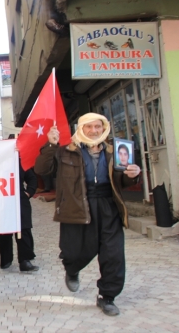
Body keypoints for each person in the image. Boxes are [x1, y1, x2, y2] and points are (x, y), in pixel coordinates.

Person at [34, 113, 141, 316]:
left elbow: (122, 180)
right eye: (89, 127)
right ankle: (72, 269)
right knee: (73, 252)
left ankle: (107, 296)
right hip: (76, 207)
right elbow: (42, 169)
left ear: (104, 128)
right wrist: (51, 146)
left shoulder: (114, 151)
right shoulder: (66, 152)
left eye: (98, 127)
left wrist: (133, 175)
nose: (94, 130)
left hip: (108, 207)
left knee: (113, 254)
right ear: (81, 129)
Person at [0, 163, 39, 272]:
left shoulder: (19, 162)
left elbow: (32, 178)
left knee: (24, 229)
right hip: (3, 197)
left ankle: (25, 260)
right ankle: (6, 259)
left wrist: (28, 192)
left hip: (20, 198)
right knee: (4, 230)